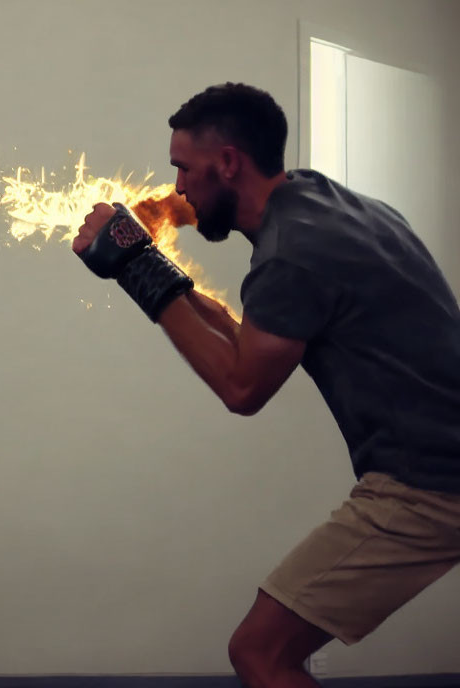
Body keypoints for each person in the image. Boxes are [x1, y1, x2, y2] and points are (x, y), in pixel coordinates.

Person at [72, 82, 460, 688]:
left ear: (227, 163)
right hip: (444, 464)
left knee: (261, 652)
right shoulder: (329, 205)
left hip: (432, 485)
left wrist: (132, 268)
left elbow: (241, 388)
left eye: (184, 168)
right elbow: (241, 335)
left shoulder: (290, 252)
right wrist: (144, 259)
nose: (177, 187)